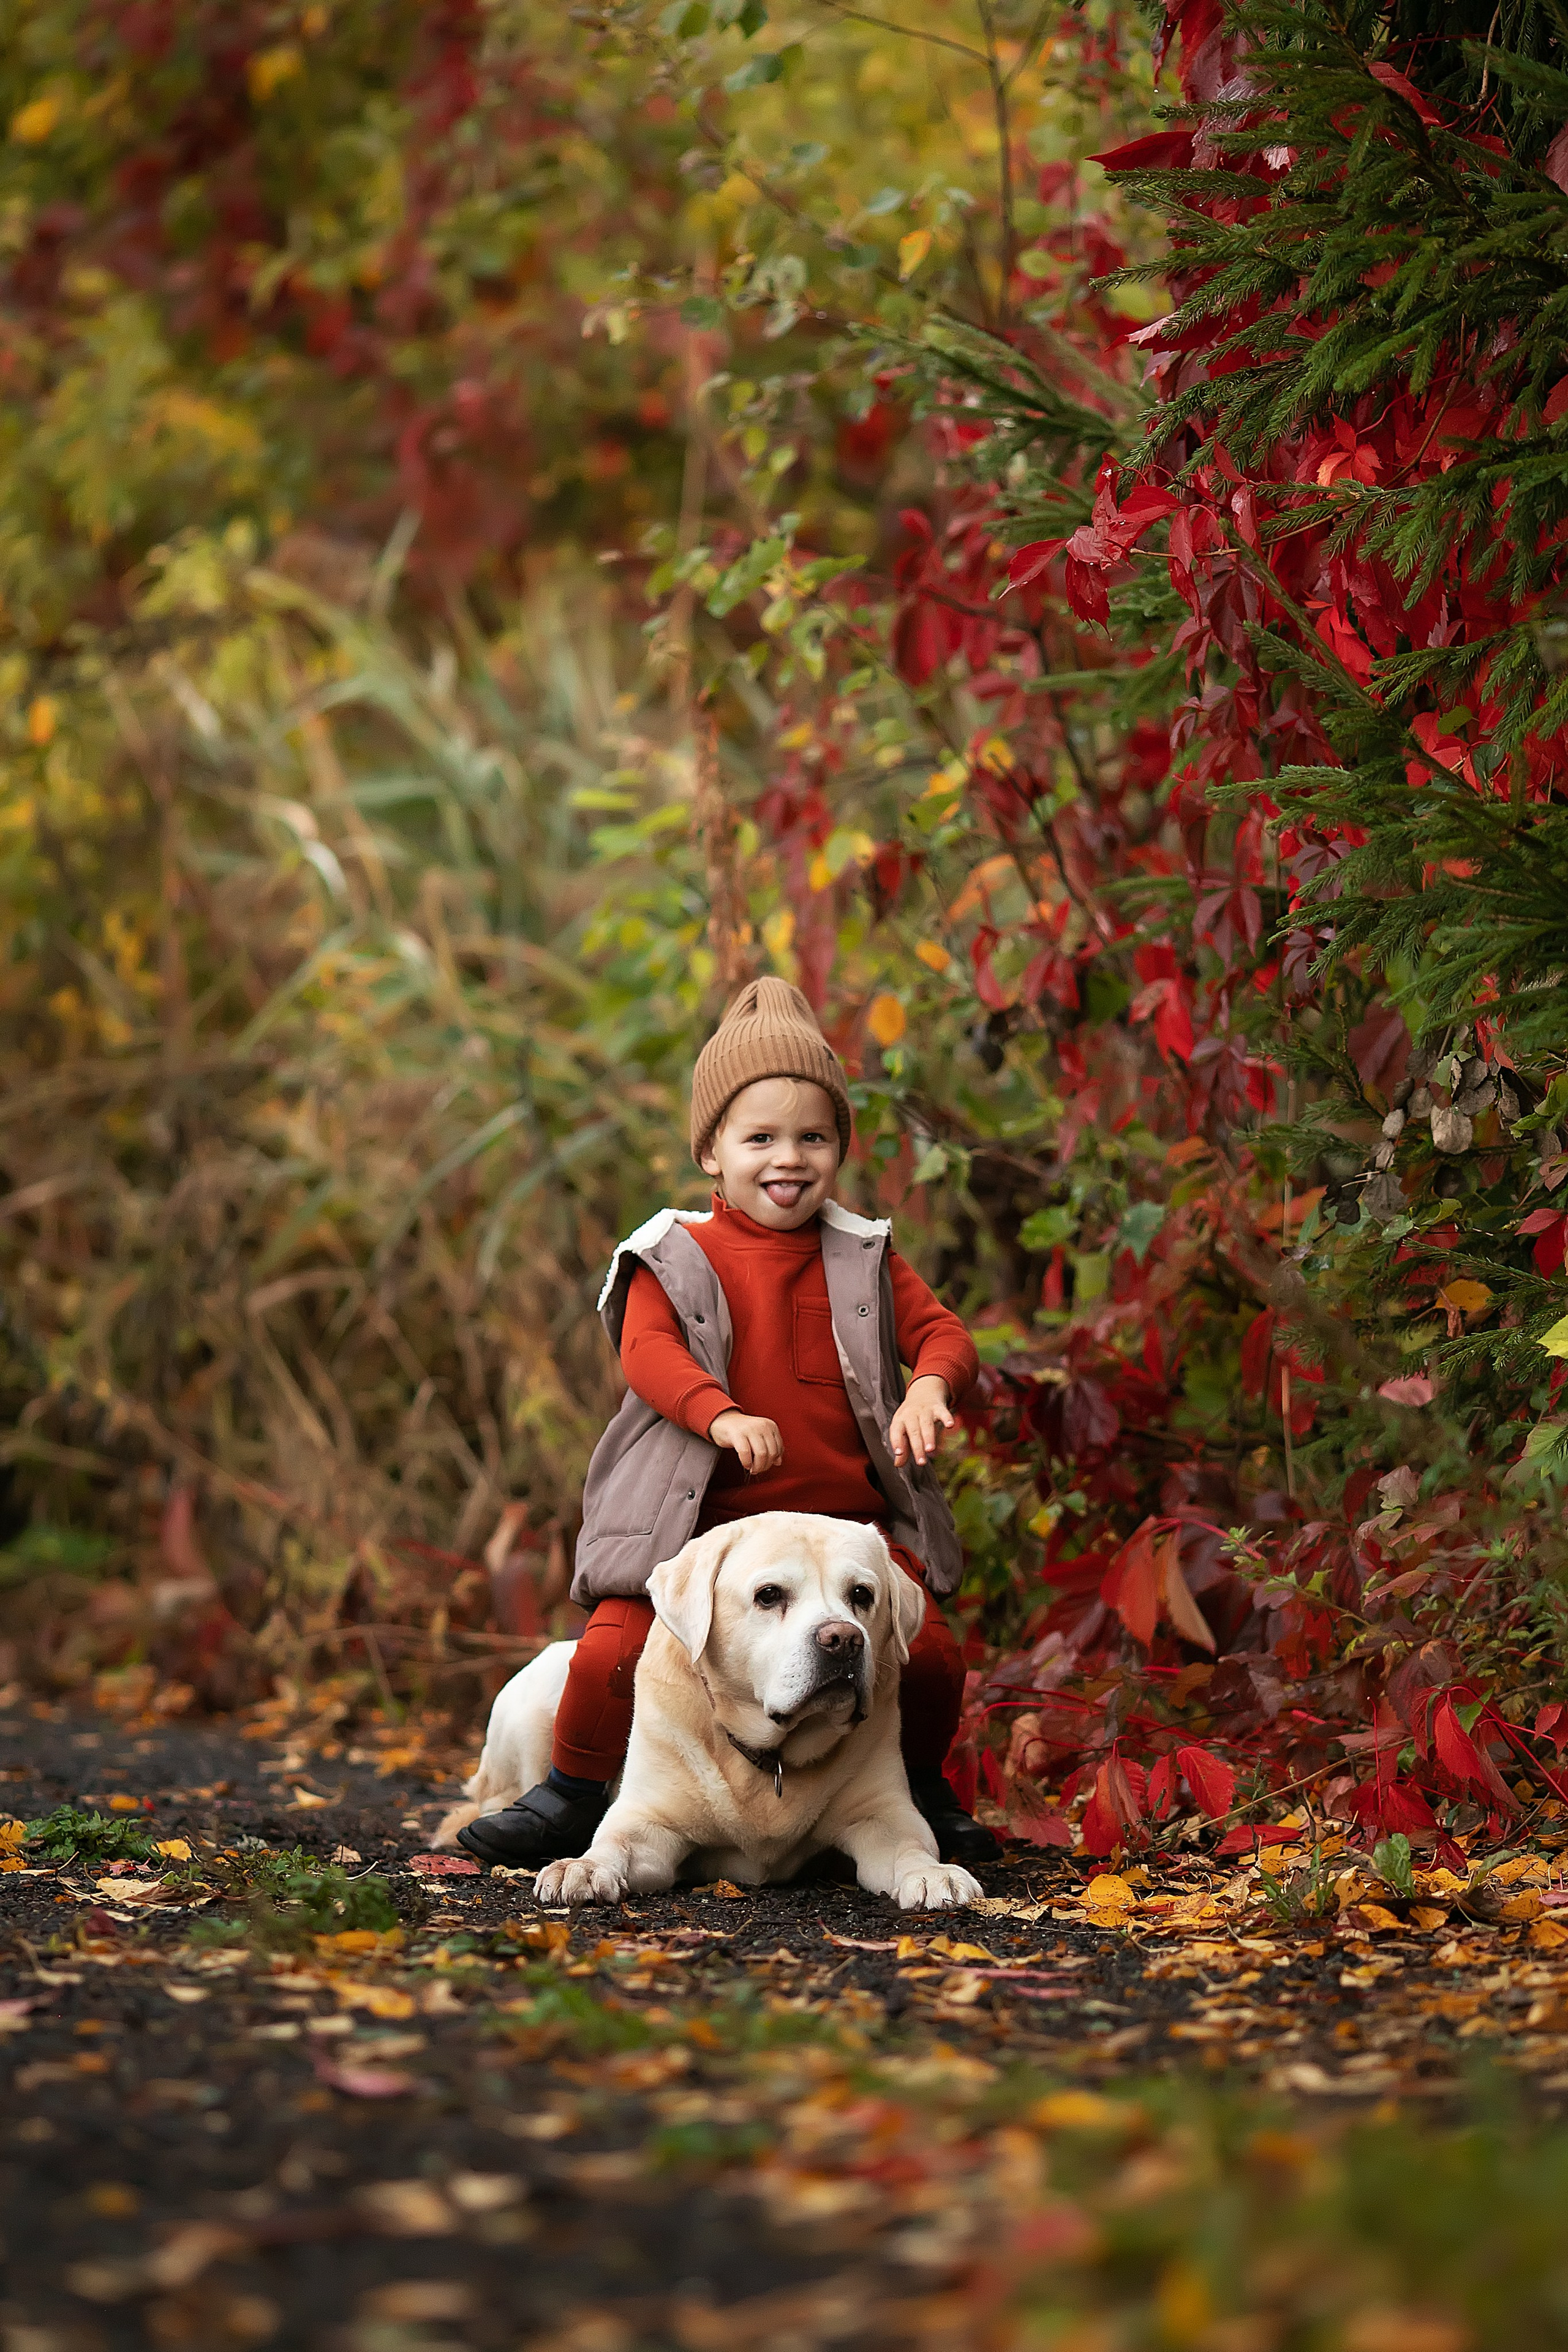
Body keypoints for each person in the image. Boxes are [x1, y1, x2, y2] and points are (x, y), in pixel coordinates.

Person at [458, 976, 1000, 1871]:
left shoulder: (860, 1253)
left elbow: (942, 1330)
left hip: (840, 1531)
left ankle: (919, 1786)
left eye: (813, 1137)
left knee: (932, 1654)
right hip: (699, 1527)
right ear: (712, 1151)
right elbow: (650, 1354)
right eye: (761, 1139)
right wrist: (718, 1414)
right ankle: (571, 1790)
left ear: (837, 1149)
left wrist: (931, 1385)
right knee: (613, 1655)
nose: (789, 1159)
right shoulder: (671, 1251)